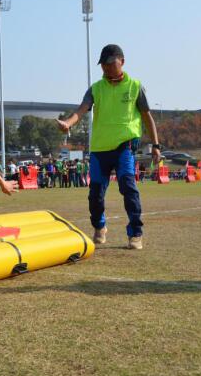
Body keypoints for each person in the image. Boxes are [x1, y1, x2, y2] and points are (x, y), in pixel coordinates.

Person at [56, 44, 161, 250]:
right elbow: (82, 109)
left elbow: (147, 117)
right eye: (103, 65)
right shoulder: (96, 88)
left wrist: (156, 145)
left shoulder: (135, 86)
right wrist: (68, 123)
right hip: (100, 148)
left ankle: (135, 233)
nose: (106, 68)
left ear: (122, 61)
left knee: (128, 187)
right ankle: (99, 226)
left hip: (125, 145)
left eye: (110, 63)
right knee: (95, 193)